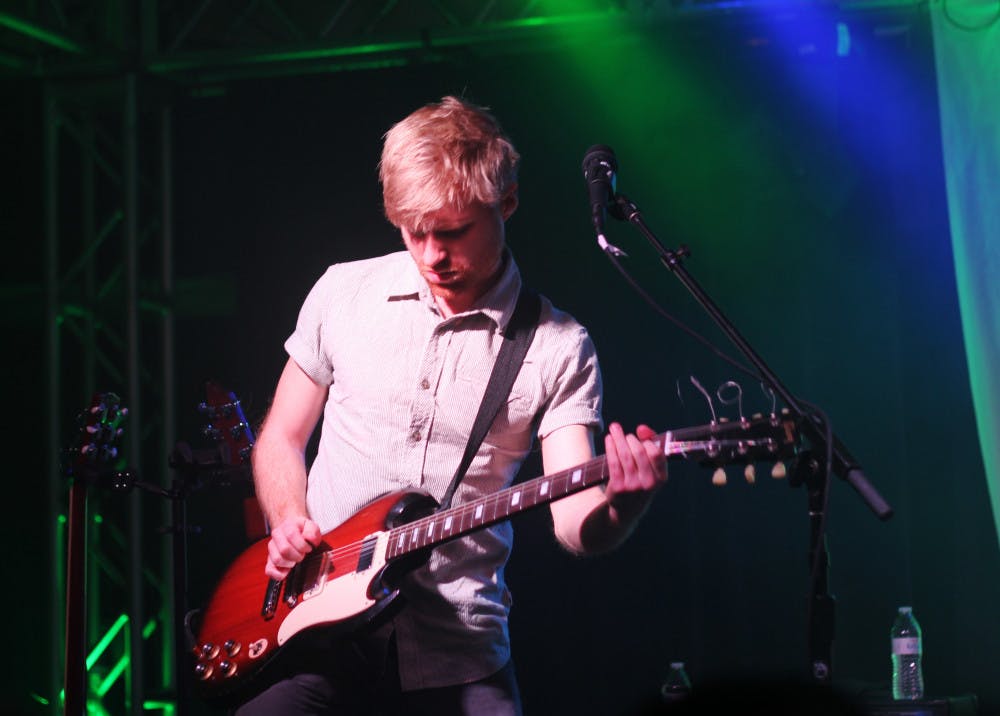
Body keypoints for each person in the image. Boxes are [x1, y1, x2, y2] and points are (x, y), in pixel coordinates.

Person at [241, 95, 668, 715]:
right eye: (414, 232)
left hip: (457, 657)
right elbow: (281, 435)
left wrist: (622, 509)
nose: (431, 255)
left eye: (452, 232)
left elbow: (575, 520)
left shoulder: (557, 346)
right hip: (316, 642)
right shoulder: (343, 292)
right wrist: (288, 521)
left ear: (507, 202)